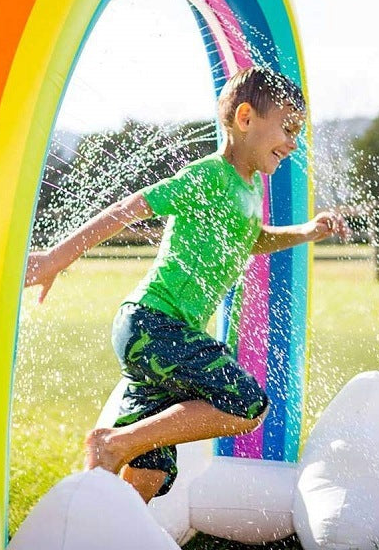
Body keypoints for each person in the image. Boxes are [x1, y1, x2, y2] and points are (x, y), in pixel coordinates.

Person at [25, 66, 349, 503]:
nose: (293, 143)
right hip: (154, 324)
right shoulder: (210, 176)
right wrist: (54, 259)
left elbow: (254, 240)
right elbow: (131, 207)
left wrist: (308, 231)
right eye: (287, 129)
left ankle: (95, 517)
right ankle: (114, 444)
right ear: (246, 119)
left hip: (161, 334)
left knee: (149, 473)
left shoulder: (249, 189)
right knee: (247, 404)